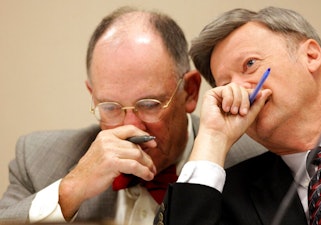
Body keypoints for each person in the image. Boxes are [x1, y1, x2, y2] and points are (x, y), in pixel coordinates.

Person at [0, 6, 266, 224]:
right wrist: (71, 189)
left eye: (149, 104)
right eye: (110, 107)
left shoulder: (256, 162)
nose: (131, 128)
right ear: (92, 96)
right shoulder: (37, 159)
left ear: (191, 91)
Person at [155, 6, 321, 225]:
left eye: (250, 64)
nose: (240, 90)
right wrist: (212, 138)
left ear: (311, 56)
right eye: (225, 85)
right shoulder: (229, 197)